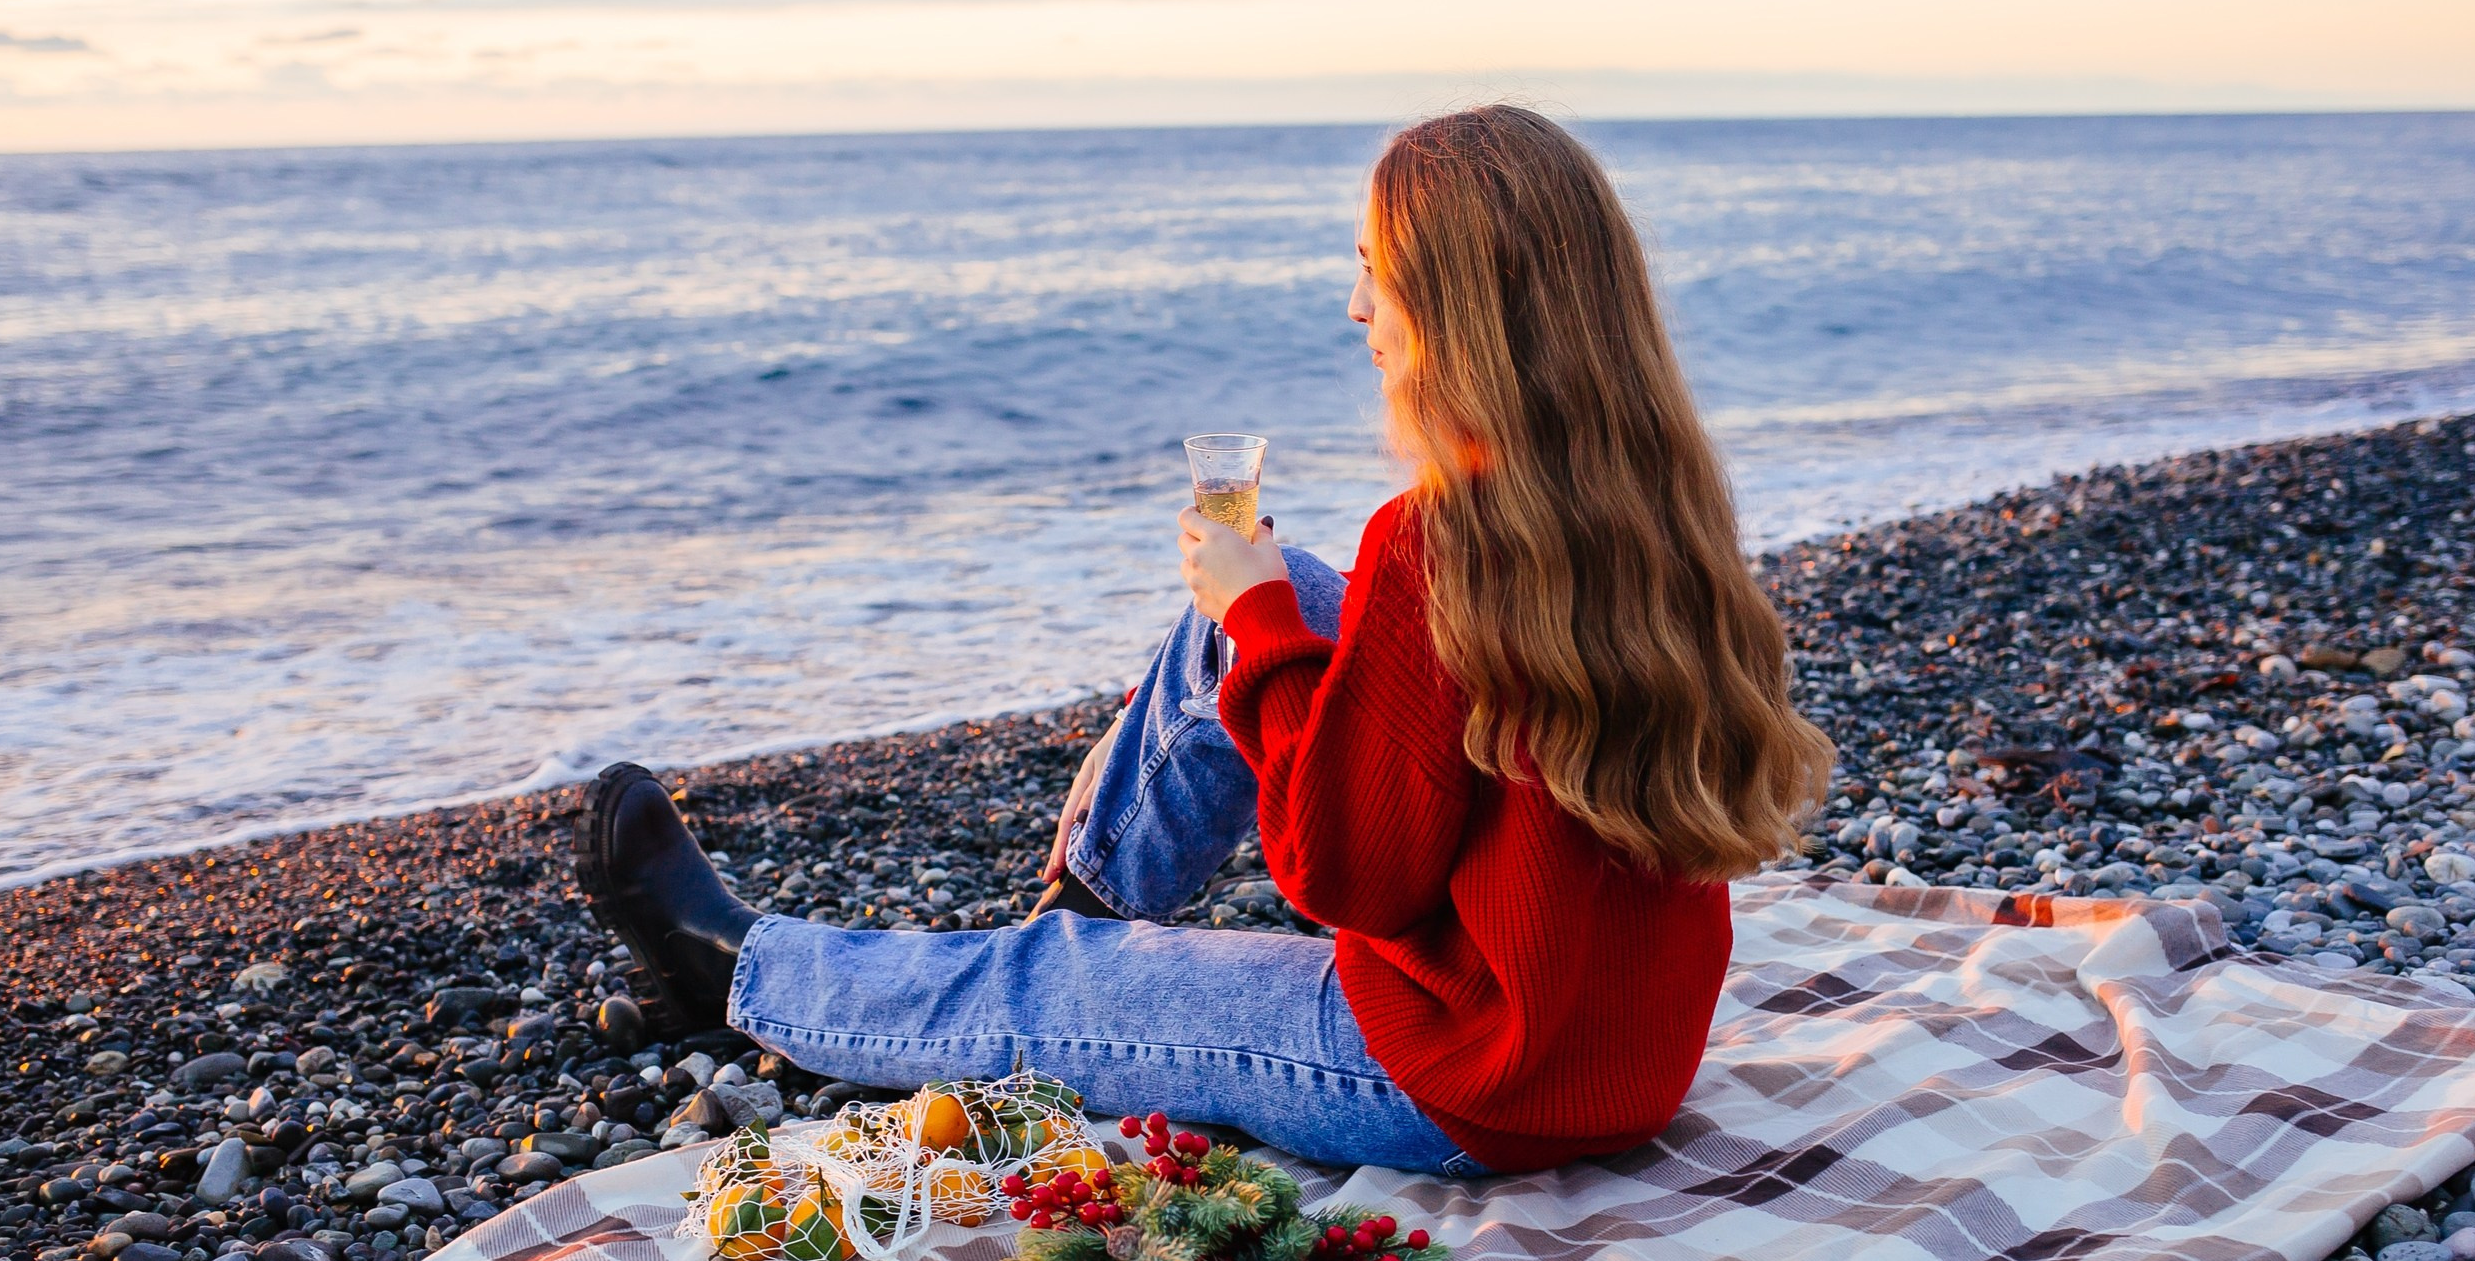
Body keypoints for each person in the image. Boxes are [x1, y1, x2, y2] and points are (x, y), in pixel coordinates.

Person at [574, 104, 1832, 1177]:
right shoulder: (1654, 494)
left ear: (1457, 310)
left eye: (1373, 272)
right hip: (1619, 1051)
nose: (1354, 307)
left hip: (1463, 1080)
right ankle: (1085, 906)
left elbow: (1341, 879)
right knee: (1286, 593)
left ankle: (745, 972)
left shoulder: (1442, 540)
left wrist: (1258, 620)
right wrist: (1267, 606)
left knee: (1066, 972)